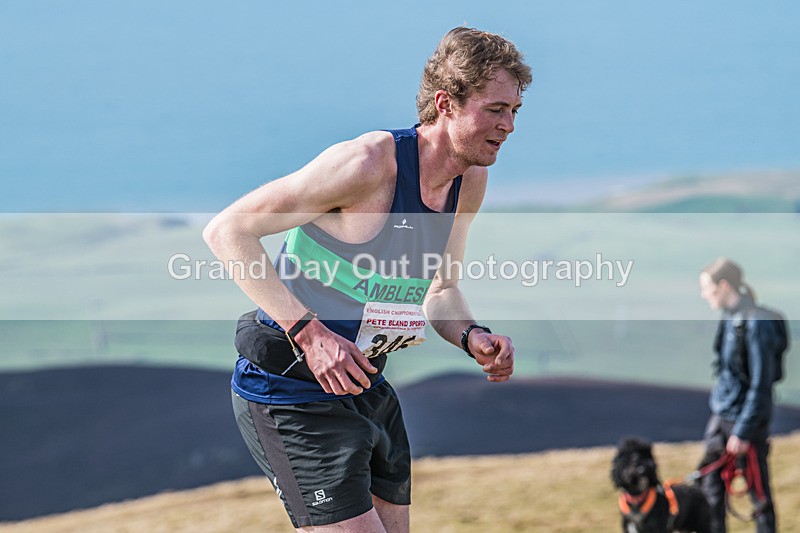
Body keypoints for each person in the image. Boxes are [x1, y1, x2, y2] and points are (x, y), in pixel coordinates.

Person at [203, 27, 532, 532]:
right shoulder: (366, 164)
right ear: (446, 103)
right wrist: (309, 333)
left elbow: (441, 290)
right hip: (289, 387)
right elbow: (227, 232)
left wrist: (473, 335)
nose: (509, 125)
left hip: (365, 385)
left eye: (514, 110)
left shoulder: (470, 181)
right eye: (494, 109)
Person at [698, 257, 782, 533]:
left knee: (758, 497)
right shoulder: (730, 318)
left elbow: (761, 384)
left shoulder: (756, 324)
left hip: (746, 423)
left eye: (707, 288)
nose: (704, 295)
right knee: (709, 490)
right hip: (721, 417)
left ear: (723, 286)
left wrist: (743, 432)